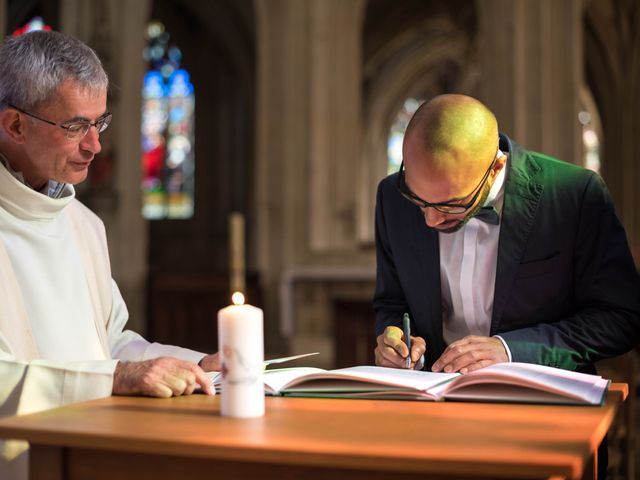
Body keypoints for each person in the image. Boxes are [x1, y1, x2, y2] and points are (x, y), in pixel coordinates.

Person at [0, 31, 219, 478]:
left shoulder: (84, 225)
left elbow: (111, 343)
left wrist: (199, 366)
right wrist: (117, 378)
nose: (95, 146)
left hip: (85, 454)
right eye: (75, 126)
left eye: (99, 123)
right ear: (15, 125)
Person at [373, 93, 640, 375]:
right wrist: (395, 340)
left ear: (496, 167)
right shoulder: (391, 197)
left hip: (541, 399)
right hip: (431, 398)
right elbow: (392, 304)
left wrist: (511, 350)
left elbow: (621, 318)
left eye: (451, 204)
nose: (431, 219)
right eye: (417, 199)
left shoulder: (577, 195)